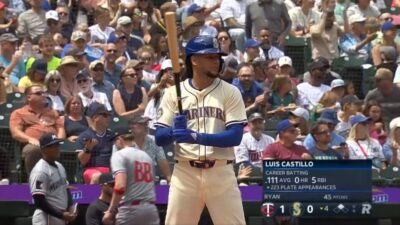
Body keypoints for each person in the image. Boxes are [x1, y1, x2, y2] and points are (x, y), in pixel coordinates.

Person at [155, 36, 247, 225]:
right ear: (194, 60)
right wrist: (173, 131)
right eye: (211, 57)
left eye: (217, 57)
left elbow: (235, 136)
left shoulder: (230, 92)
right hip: (185, 173)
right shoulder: (173, 93)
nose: (217, 61)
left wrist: (196, 137)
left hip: (221, 172)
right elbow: (159, 137)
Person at [102, 126, 159, 225]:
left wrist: (110, 211)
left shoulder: (119, 155)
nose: (115, 144)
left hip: (131, 209)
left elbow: (120, 187)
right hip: (151, 209)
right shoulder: (146, 156)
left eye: (115, 141)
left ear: (120, 139)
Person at [10, 85, 64, 175]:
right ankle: (36, 181)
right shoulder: (18, 113)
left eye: (43, 93)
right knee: (32, 150)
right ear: (29, 97)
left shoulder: (53, 112)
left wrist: (59, 141)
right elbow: (15, 132)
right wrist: (30, 139)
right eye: (38, 93)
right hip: (34, 145)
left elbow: (61, 129)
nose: (43, 95)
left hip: (54, 143)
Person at [29, 133, 76, 225]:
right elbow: (39, 201)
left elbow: (65, 188)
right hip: (45, 217)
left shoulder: (60, 166)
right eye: (53, 146)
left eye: (57, 145)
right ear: (43, 149)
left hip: (59, 216)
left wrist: (70, 206)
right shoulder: (40, 171)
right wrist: (61, 215)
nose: (57, 148)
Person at [76, 102, 114, 184]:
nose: (108, 118)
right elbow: (82, 161)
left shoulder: (112, 135)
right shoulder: (85, 136)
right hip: (91, 170)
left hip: (111, 169)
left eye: (108, 115)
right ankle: (92, 196)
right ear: (95, 117)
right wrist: (87, 149)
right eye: (105, 115)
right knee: (97, 176)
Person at [130, 116, 172, 183]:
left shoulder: (153, 140)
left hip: (150, 180)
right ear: (132, 128)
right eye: (142, 125)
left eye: (146, 124)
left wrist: (169, 178)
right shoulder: (124, 142)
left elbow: (162, 160)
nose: (146, 127)